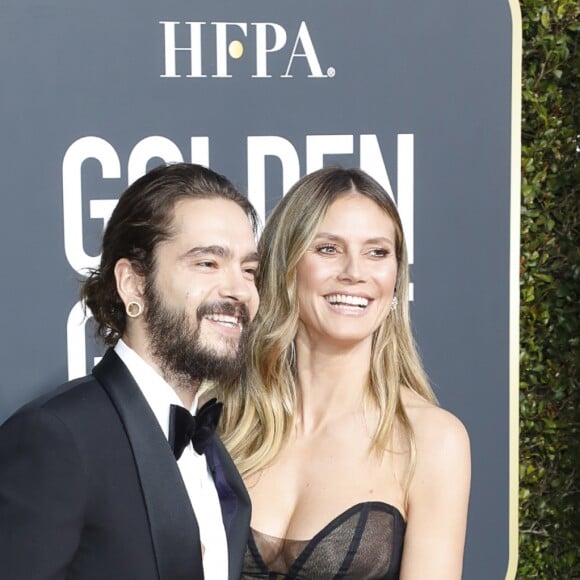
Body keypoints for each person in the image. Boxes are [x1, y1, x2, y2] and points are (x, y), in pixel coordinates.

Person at [0, 163, 260, 580]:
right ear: (134, 284)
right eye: (208, 263)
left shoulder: (209, 451)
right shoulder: (57, 438)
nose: (239, 289)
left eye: (249, 270)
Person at [219, 167, 471, 579]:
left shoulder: (431, 440)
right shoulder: (224, 418)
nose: (355, 272)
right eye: (328, 249)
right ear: (286, 265)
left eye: (377, 252)